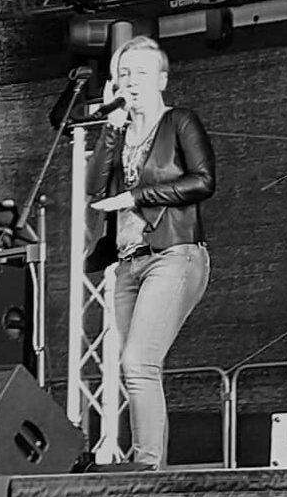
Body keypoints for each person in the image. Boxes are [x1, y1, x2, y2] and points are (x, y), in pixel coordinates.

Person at [86, 36, 215, 469]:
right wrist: (111, 128)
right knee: (137, 368)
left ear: (161, 79)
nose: (131, 82)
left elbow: (203, 181)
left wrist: (136, 196)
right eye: (124, 74)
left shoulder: (179, 121)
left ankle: (146, 469)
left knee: (138, 361)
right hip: (129, 264)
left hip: (174, 253)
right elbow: (93, 185)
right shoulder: (120, 132)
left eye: (140, 73)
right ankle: (148, 467)